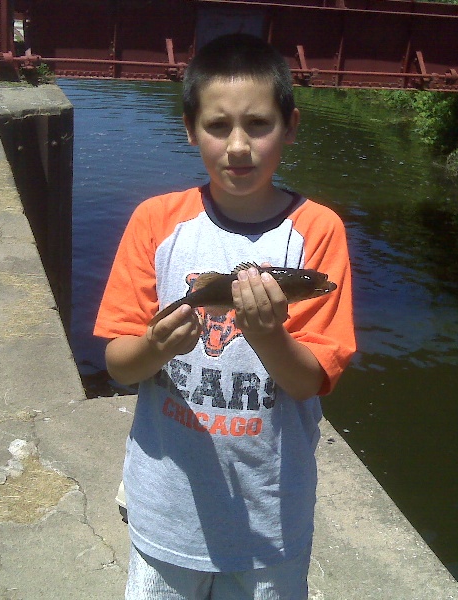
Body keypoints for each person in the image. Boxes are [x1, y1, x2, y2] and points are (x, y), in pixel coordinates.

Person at [94, 32, 356, 600]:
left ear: (290, 125)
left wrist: (267, 336)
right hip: (166, 509)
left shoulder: (318, 232)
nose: (238, 145)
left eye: (258, 124)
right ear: (190, 129)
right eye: (218, 126)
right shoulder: (155, 223)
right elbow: (119, 363)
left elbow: (310, 379)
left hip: (269, 523)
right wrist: (157, 348)